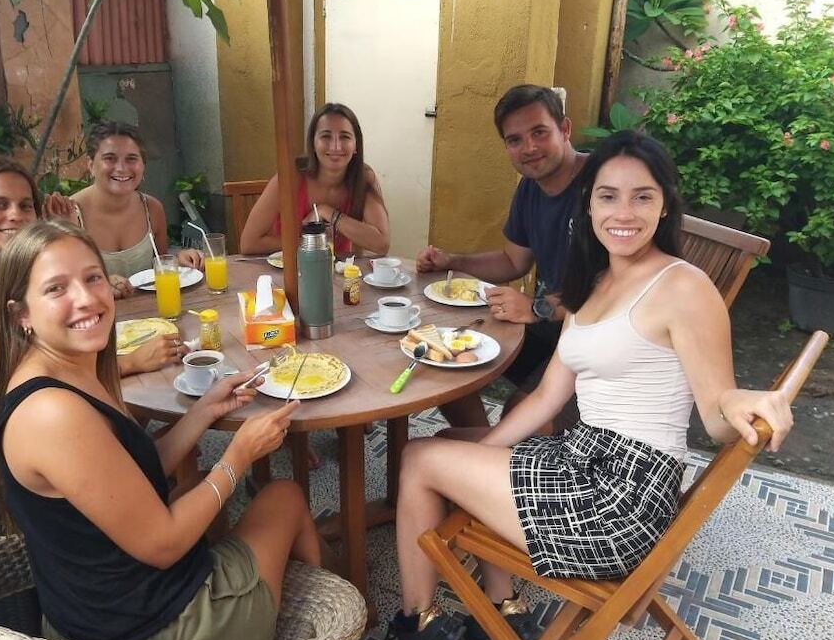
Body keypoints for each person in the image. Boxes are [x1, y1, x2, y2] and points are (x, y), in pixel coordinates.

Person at [388, 132, 794, 640]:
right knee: (451, 442)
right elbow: (546, 398)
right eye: (608, 196)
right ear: (589, 204)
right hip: (584, 459)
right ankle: (502, 608)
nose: (623, 212)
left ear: (664, 204)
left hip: (622, 500)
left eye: (642, 196)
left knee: (419, 456)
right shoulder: (596, 281)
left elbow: (718, 412)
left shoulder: (683, 287)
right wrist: (477, 455)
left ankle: (416, 628)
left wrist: (741, 402)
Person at [0, 220, 321, 640]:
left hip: (110, 607)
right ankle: (319, 634)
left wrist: (204, 410)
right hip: (151, 634)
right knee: (285, 496)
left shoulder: (61, 371)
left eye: (93, 278)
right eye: (56, 288)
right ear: (21, 314)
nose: (86, 298)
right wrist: (238, 455)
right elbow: (163, 545)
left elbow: (125, 475)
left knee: (200, 486)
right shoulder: (51, 412)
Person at [0, 156, 186, 469]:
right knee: (109, 406)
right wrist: (133, 361)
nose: (15, 215)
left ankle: (144, 468)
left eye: (26, 206)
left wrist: (78, 259)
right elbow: (26, 370)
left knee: (120, 414)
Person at [416, 84, 585, 428]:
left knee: (521, 414)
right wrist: (452, 261)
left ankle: (500, 450)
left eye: (539, 132)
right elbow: (513, 262)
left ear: (565, 129)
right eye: (515, 140)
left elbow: (618, 292)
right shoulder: (531, 188)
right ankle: (484, 446)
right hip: (550, 330)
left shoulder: (602, 187)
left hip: (595, 342)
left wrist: (537, 308)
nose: (529, 148)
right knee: (447, 359)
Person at [44, 121, 203, 298]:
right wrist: (99, 283)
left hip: (149, 313)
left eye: (131, 159)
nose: (121, 168)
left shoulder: (152, 209)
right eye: (109, 158)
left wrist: (179, 261)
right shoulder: (68, 213)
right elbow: (60, 286)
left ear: (143, 166)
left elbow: (160, 267)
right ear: (90, 165)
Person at [239, 103, 390, 257]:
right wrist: (313, 245)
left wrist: (328, 212)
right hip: (290, 267)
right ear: (313, 143)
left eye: (345, 137)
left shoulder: (362, 177)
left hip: (338, 269)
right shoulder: (290, 177)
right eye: (326, 136)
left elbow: (382, 244)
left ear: (356, 145)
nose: (336, 146)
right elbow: (248, 243)